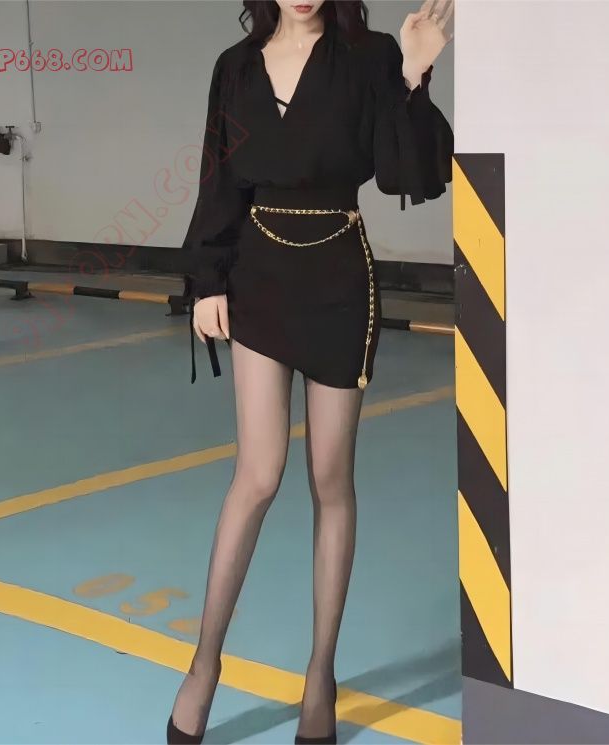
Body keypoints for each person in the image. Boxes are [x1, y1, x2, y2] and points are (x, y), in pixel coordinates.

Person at [168, 1, 454, 742]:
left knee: (330, 478)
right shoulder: (235, 68)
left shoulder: (369, 57)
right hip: (259, 274)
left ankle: (320, 673)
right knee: (257, 474)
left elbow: (405, 173)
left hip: (338, 277)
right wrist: (207, 280)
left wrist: (413, 76)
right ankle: (203, 665)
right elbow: (218, 179)